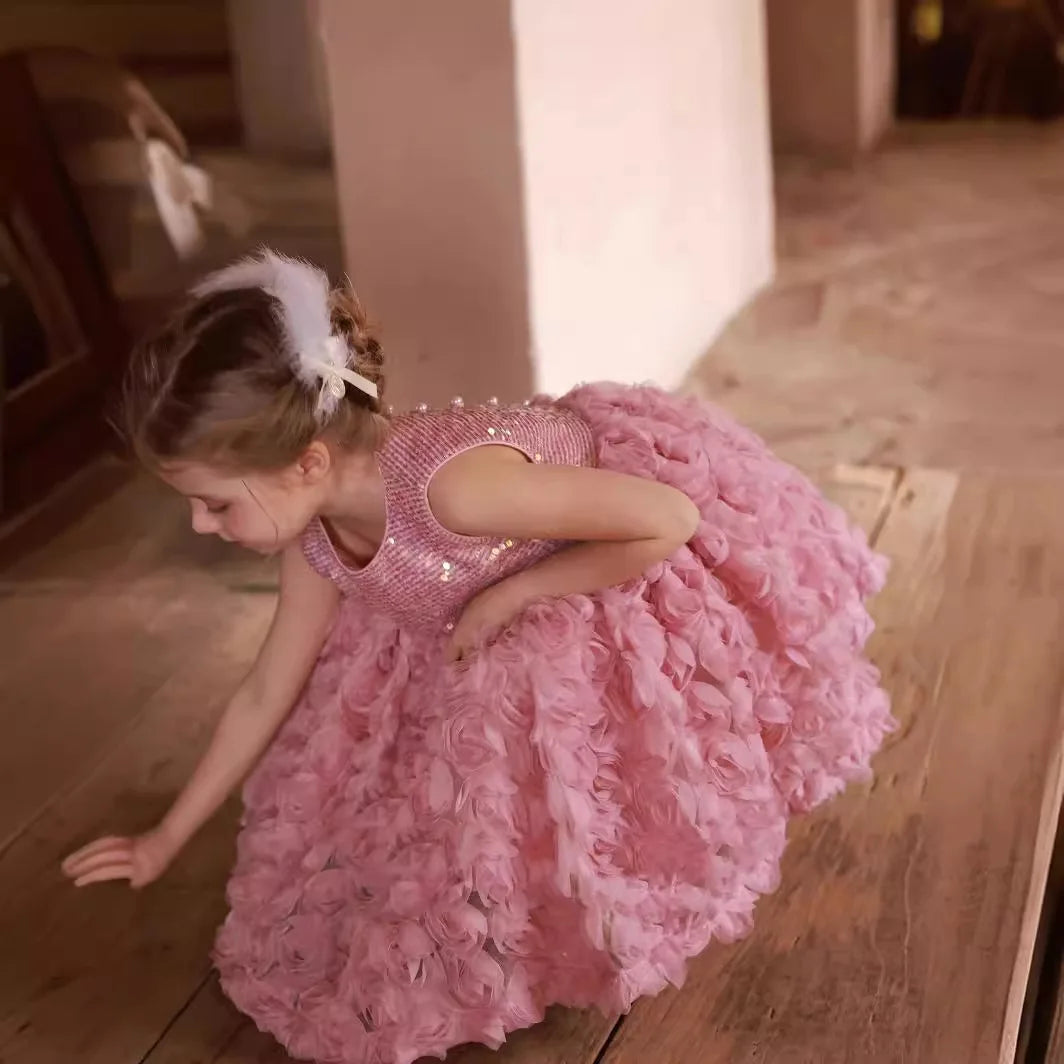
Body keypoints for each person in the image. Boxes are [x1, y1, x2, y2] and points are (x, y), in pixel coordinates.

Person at [62, 251, 892, 1064]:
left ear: (307, 462)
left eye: (213, 504)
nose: (203, 527)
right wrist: (165, 836)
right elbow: (266, 689)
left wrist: (508, 596)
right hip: (454, 591)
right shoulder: (312, 534)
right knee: (393, 763)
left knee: (520, 710)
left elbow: (667, 519)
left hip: (594, 560)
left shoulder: (458, 492)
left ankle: (565, 903)